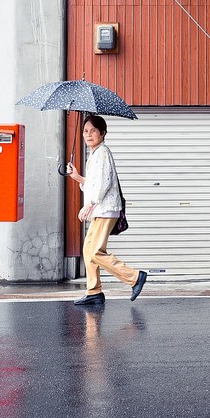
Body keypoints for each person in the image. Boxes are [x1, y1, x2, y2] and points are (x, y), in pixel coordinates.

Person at [66, 114, 147, 305]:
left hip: (106, 209)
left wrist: (89, 204)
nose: (88, 134)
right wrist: (78, 177)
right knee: (88, 249)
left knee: (95, 251)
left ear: (103, 133)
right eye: (86, 131)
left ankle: (135, 277)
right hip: (100, 209)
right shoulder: (94, 155)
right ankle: (94, 291)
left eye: (93, 130)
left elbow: (104, 184)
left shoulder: (102, 153)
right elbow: (94, 184)